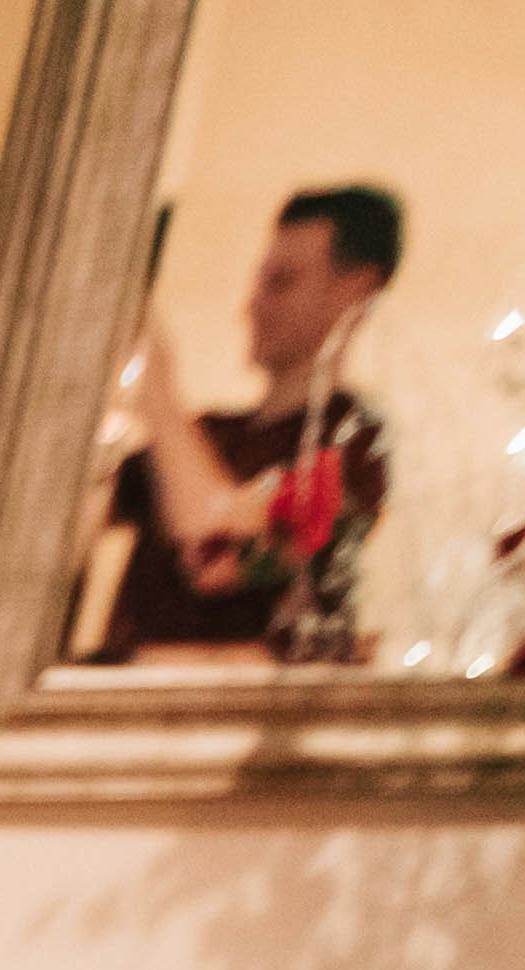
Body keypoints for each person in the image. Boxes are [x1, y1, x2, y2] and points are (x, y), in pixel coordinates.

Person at [87, 185, 399, 663]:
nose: (251, 306)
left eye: (282, 281)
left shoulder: (358, 438)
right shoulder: (206, 433)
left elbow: (218, 553)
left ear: (355, 292)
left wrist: (156, 392)